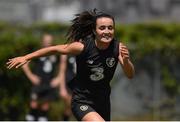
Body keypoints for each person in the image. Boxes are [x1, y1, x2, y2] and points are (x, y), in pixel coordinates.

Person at [7, 9, 135, 121]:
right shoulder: (82, 47)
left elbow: (130, 74)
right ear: (94, 31)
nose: (107, 31)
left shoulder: (118, 48)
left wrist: (127, 61)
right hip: (82, 101)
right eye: (102, 28)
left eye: (110, 28)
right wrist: (26, 57)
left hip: (103, 101)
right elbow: (55, 49)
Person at [22, 34, 72, 121]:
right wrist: (31, 76)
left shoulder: (55, 53)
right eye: (46, 41)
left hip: (49, 83)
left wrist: (58, 78)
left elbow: (62, 65)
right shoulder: (37, 52)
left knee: (45, 107)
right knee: (33, 105)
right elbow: (24, 63)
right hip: (38, 83)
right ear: (42, 41)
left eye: (49, 41)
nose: (47, 43)